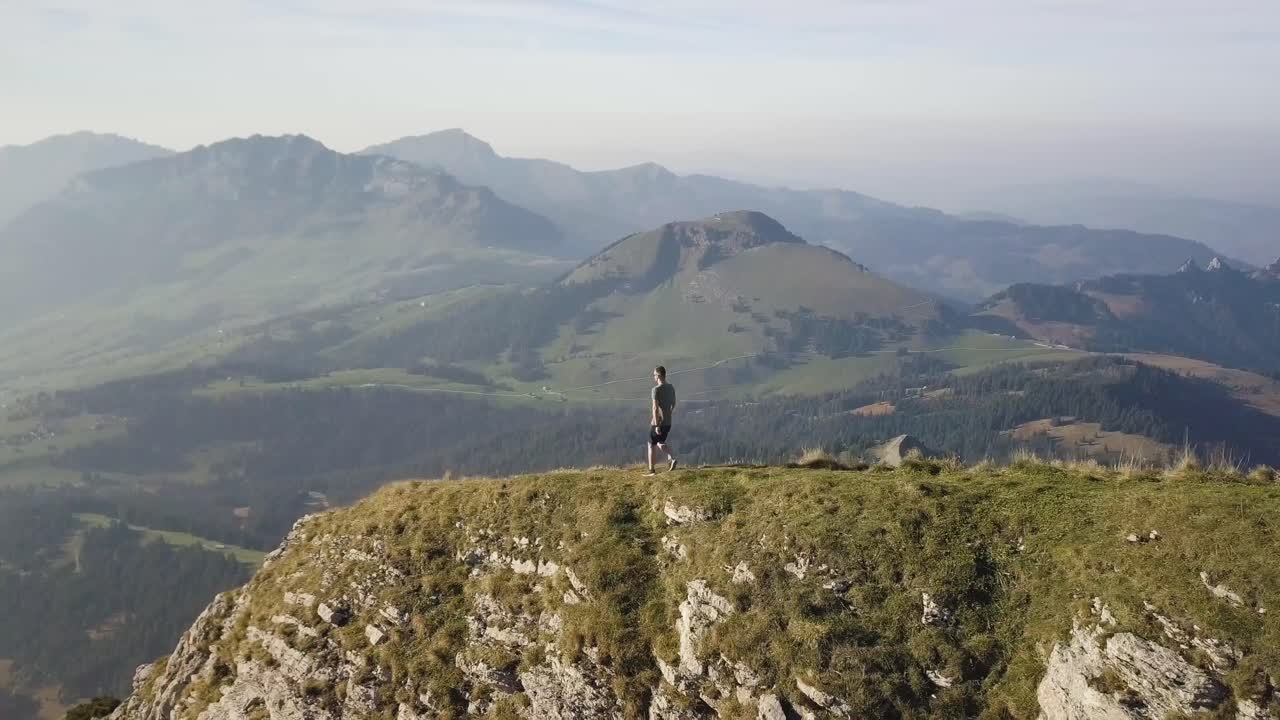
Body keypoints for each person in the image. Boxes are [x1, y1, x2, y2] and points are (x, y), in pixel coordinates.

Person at [646, 366, 678, 475]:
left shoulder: (655, 390)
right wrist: (668, 414)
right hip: (668, 422)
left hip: (658, 423)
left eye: (654, 375)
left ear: (659, 376)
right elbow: (673, 404)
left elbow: (655, 408)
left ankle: (651, 470)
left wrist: (656, 425)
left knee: (651, 444)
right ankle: (672, 458)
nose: (654, 377)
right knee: (660, 442)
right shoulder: (671, 387)